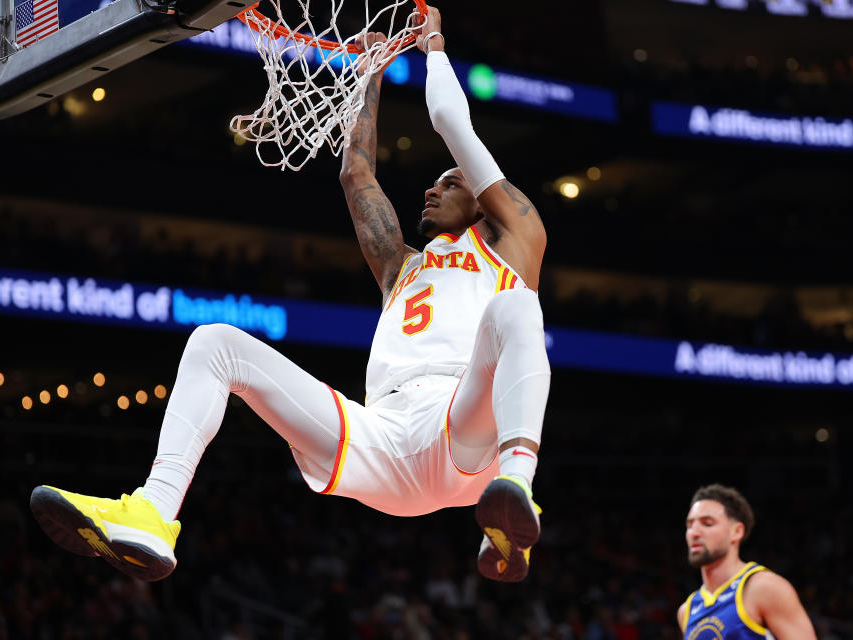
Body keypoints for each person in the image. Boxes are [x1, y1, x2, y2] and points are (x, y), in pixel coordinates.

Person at [29, 5, 550, 584]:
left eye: (450, 181)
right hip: (381, 440)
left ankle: (516, 496)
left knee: (517, 307)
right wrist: (371, 68)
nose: (432, 187)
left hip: (462, 433)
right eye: (433, 180)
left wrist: (434, 48)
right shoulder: (401, 267)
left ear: (484, 198)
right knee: (214, 343)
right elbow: (357, 176)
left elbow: (452, 119)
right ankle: (154, 511)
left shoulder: (515, 240)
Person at [677, 484, 817, 639]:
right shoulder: (686, 611)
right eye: (690, 525)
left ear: (736, 532)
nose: (694, 532)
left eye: (707, 523)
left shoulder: (763, 588)